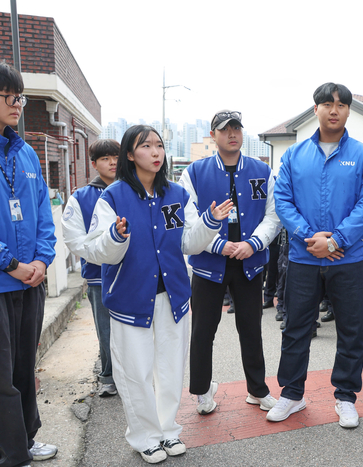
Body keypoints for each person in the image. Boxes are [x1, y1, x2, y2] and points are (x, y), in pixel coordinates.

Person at [83, 125, 232, 464]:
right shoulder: (114, 197)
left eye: (159, 145)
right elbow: (98, 250)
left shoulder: (177, 194)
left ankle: (167, 431)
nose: (155, 151)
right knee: (134, 371)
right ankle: (144, 437)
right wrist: (116, 237)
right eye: (146, 146)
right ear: (130, 154)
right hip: (130, 300)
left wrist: (209, 221)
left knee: (169, 369)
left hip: (174, 299)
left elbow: (188, 243)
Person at [268, 82, 363, 428]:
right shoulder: (294, 155)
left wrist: (335, 242)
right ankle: (292, 394)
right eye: (327, 104)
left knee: (350, 330)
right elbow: (283, 200)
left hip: (349, 259)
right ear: (315, 109)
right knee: (296, 327)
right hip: (304, 258)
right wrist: (308, 236)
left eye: (342, 105)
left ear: (348, 111)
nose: (334, 110)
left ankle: (345, 397)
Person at [0, 58, 58, 467]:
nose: (17, 104)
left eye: (19, 96)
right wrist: (9, 264)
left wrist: (40, 260)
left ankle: (24, 439)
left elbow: (42, 212)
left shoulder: (25, 153)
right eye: (8, 97)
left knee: (24, 369)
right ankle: (10, 453)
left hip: (29, 280)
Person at [179, 110, 281, 416]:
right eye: (225, 129)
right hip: (209, 264)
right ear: (213, 135)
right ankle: (201, 392)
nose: (232, 133)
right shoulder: (195, 172)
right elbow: (189, 219)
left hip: (249, 263)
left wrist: (253, 244)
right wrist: (219, 244)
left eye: (236, 128)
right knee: (203, 330)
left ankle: (257, 390)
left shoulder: (262, 171)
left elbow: (273, 216)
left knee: (251, 328)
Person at [61, 138, 119, 397]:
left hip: (133, 274)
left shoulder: (134, 189)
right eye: (105, 159)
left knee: (134, 329)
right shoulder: (81, 197)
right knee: (105, 329)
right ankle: (108, 376)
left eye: (116, 157)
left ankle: (132, 375)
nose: (112, 163)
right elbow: (74, 238)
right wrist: (102, 256)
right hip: (99, 276)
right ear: (94, 164)